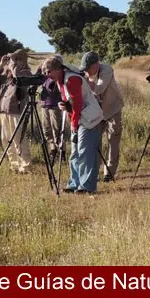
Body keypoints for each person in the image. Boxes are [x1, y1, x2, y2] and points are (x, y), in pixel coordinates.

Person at [42, 56, 104, 194]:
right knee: (75, 153)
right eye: (45, 73)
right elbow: (70, 102)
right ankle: (74, 184)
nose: (47, 75)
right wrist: (63, 105)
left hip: (88, 118)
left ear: (58, 69)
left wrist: (74, 123)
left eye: (49, 71)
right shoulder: (61, 80)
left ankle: (87, 187)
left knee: (85, 153)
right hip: (79, 118)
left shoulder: (71, 79)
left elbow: (77, 104)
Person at [80, 51, 124, 182]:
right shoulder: (86, 72)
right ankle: (94, 171)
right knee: (95, 140)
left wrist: (86, 82)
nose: (87, 71)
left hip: (113, 108)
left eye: (89, 68)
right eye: (85, 69)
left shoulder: (106, 69)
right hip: (97, 110)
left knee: (113, 140)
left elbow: (99, 88)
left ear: (96, 64)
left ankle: (109, 173)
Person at [0, 49, 33, 173]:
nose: (11, 62)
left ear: (22, 60)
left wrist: (14, 65)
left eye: (15, 59)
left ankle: (25, 166)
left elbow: (20, 81)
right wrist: (1, 66)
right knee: (6, 139)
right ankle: (14, 165)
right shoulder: (8, 74)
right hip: (5, 110)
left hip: (18, 110)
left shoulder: (26, 72)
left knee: (19, 139)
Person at [36, 55, 65, 159]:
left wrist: (47, 74)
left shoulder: (55, 76)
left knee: (57, 128)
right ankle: (53, 149)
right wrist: (40, 68)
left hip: (55, 104)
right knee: (46, 128)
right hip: (44, 104)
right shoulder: (45, 73)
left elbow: (50, 86)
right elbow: (36, 79)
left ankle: (62, 150)